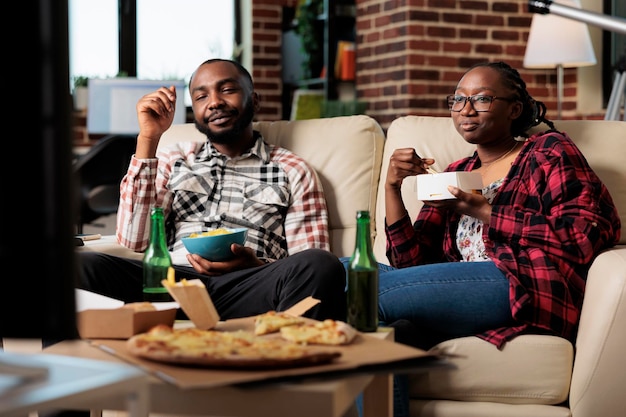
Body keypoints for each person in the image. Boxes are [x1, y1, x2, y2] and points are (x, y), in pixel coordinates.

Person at [378, 61, 621, 417]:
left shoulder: (548, 152)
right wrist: (393, 189)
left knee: (355, 283)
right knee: (380, 334)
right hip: (460, 292)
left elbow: (587, 234)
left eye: (482, 99)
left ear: (515, 108)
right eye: (457, 100)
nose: (466, 110)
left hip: (522, 282)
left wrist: (486, 212)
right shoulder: (455, 173)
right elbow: (411, 267)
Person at [76, 58, 347, 322]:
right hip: (172, 284)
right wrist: (148, 139)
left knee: (320, 265)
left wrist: (257, 267)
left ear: (254, 100)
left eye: (227, 90)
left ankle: (286, 360)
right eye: (201, 96)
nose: (215, 102)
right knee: (78, 266)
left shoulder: (292, 168)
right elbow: (134, 240)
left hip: (250, 286)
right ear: (195, 110)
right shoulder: (174, 159)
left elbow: (310, 256)